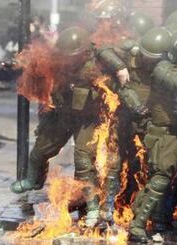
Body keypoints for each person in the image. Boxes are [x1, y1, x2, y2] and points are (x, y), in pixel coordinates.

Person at [10, 26, 130, 228]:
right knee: (40, 150)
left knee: (83, 161)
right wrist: (18, 63)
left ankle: (92, 207)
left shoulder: (98, 61)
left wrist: (119, 68)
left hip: (89, 119)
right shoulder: (58, 59)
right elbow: (37, 62)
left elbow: (112, 52)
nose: (70, 60)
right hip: (63, 113)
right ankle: (33, 179)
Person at [129, 27, 177, 243]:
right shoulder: (163, 68)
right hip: (167, 133)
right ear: (176, 53)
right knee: (160, 179)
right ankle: (137, 225)